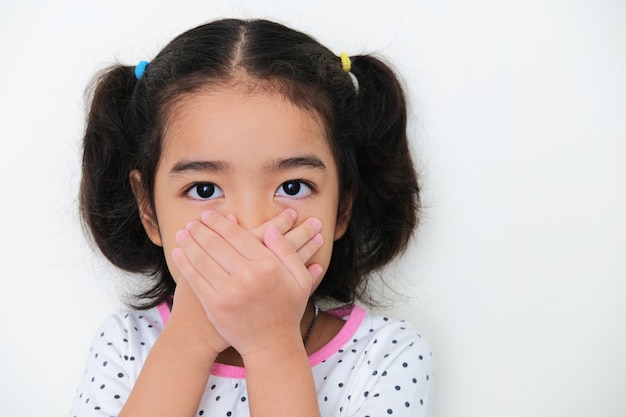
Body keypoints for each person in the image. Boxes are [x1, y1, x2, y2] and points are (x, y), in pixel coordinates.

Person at [70, 18, 433, 417]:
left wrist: (272, 347)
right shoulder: (125, 344)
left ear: (342, 207)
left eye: (292, 187)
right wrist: (188, 340)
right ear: (149, 211)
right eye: (204, 190)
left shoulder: (385, 354)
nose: (252, 225)